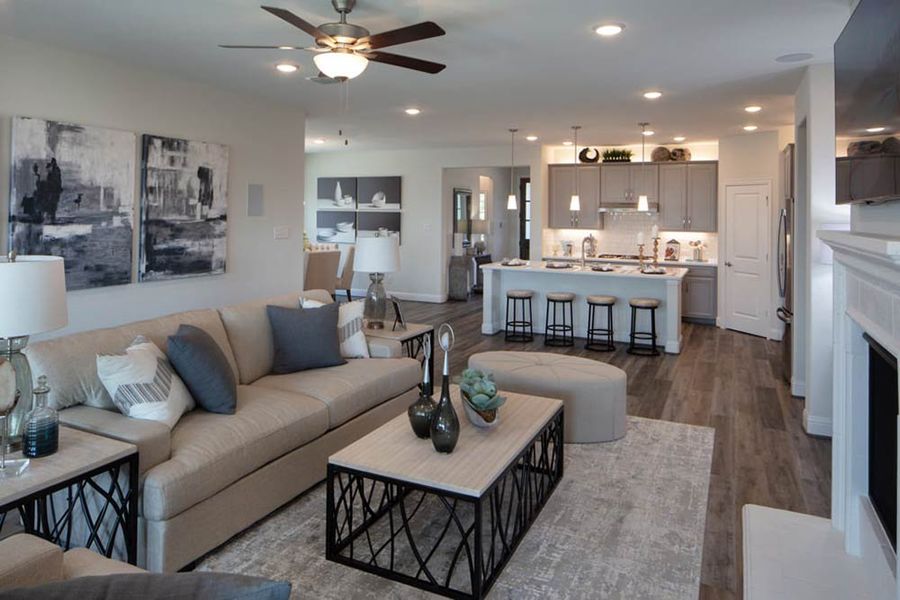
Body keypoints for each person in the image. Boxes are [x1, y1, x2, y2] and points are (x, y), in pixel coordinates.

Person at [45, 158, 63, 223]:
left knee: (53, 204)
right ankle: (51, 218)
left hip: (54, 191)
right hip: (54, 191)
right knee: (52, 204)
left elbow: (56, 181)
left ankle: (52, 218)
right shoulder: (55, 171)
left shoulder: (54, 172)